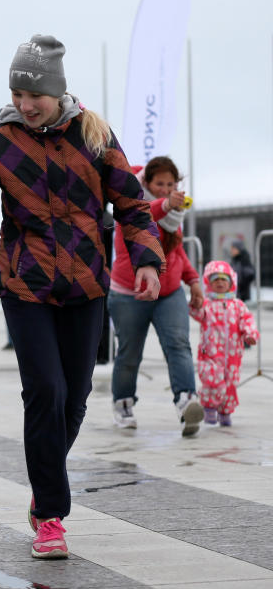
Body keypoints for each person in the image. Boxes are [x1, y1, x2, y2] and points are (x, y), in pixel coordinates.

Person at [0, 35, 164, 560]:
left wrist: (148, 257)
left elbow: (133, 205)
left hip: (86, 287)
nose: (25, 104)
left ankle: (44, 481)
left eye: (34, 95)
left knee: (75, 399)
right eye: (17, 94)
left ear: (56, 91)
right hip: (26, 286)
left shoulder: (96, 136)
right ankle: (50, 514)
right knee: (45, 391)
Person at [108, 157, 204, 436]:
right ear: (147, 183)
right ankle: (123, 404)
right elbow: (143, 215)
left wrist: (193, 280)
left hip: (169, 291)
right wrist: (165, 204)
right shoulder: (131, 202)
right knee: (129, 353)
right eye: (159, 184)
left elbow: (176, 249)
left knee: (178, 344)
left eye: (170, 184)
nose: (165, 189)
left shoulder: (174, 215)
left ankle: (187, 402)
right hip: (130, 293)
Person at [190, 261, 259, 426]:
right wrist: (195, 305)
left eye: (223, 280)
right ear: (209, 283)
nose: (220, 283)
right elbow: (197, 313)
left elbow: (247, 321)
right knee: (213, 381)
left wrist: (250, 334)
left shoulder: (238, 306)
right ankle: (209, 408)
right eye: (215, 280)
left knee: (230, 384)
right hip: (211, 354)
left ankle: (225, 412)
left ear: (231, 283)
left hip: (233, 356)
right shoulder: (207, 304)